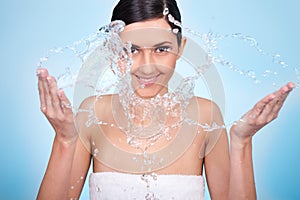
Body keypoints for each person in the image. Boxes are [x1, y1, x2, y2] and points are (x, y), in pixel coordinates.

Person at [36, 0, 294, 199]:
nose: (146, 68)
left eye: (162, 49)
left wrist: (242, 141)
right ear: (114, 50)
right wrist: (64, 139)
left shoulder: (206, 117)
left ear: (180, 49)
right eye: (132, 50)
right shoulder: (91, 113)